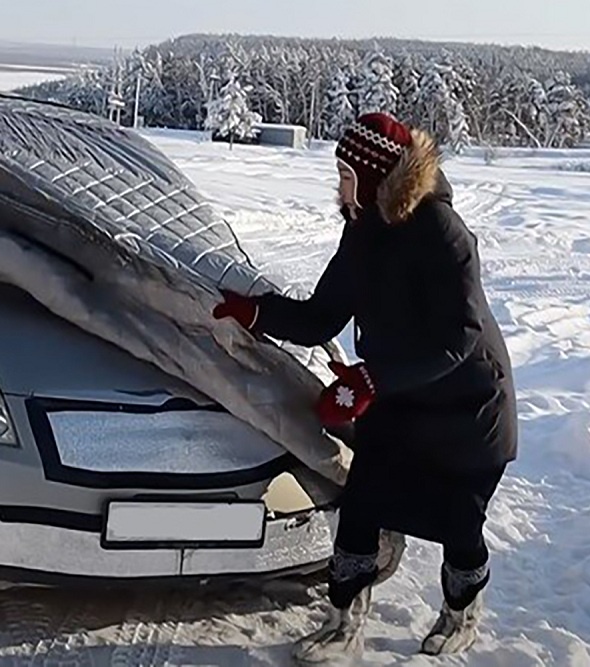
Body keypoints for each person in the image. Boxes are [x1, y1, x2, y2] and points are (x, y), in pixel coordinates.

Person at [212, 112, 518, 662]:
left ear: (376, 176)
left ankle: (462, 613)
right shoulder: (362, 230)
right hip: (398, 396)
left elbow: (460, 337)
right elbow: (322, 316)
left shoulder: (442, 233)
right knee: (364, 502)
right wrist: (255, 313)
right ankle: (343, 625)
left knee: (458, 521)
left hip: (468, 407)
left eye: (347, 175)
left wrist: (374, 378)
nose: (339, 186)